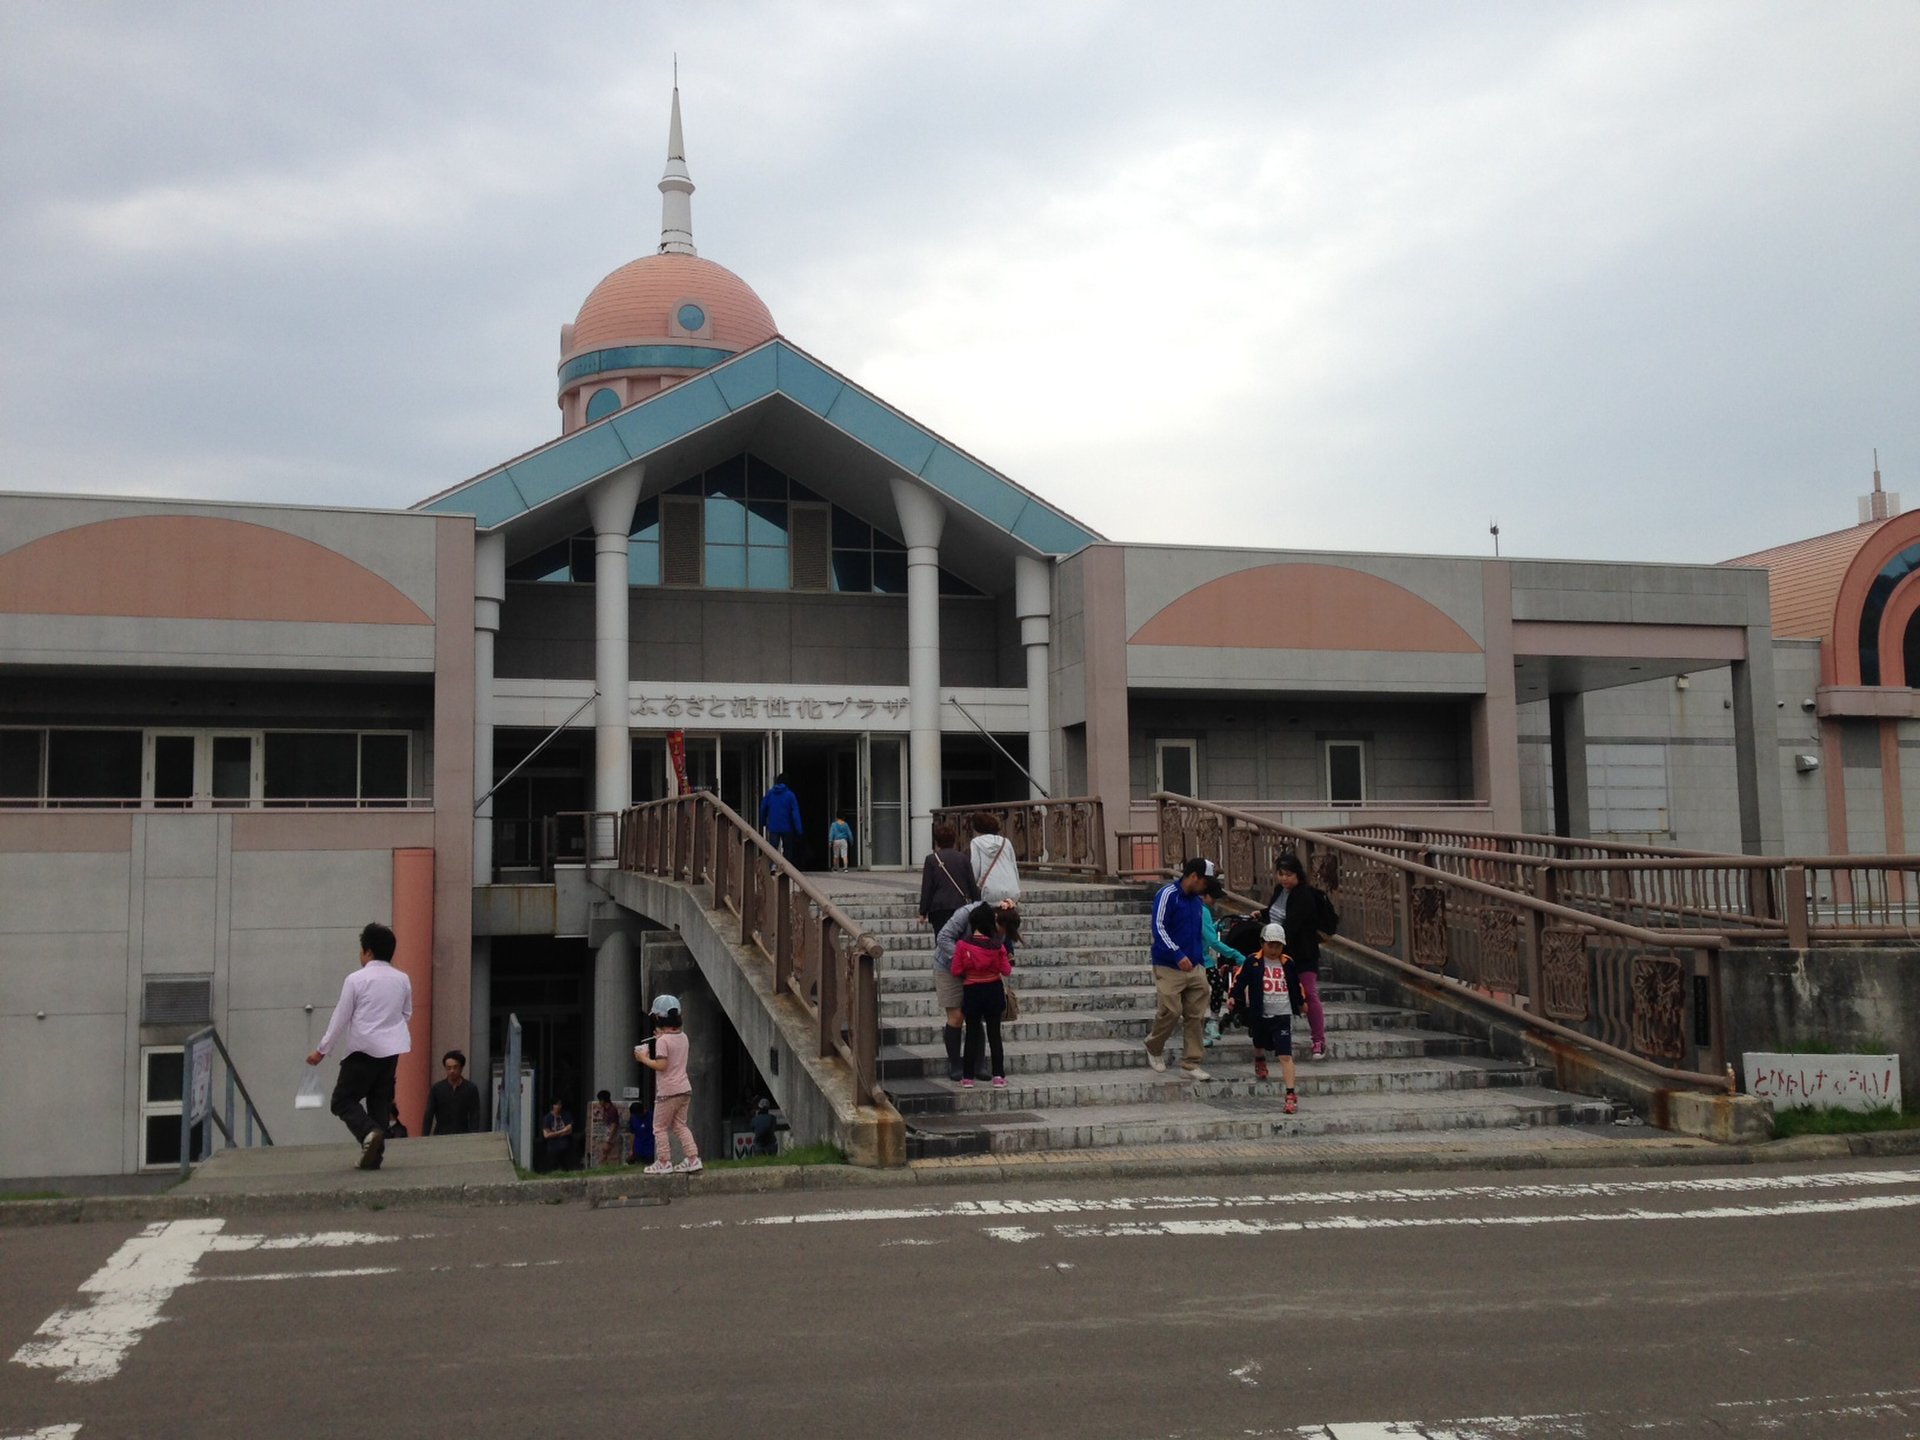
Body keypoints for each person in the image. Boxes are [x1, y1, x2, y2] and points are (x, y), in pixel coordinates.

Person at [304, 921, 412, 1171]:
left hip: (363, 1049)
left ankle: (369, 1133)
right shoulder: (402, 979)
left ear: (368, 952)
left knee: (342, 1100)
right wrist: (390, 1030)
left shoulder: (356, 979)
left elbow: (341, 1017)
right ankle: (374, 1155)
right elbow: (406, 1013)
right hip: (392, 1051)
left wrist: (322, 1050)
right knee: (379, 1101)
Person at [1145, 858, 1216, 1080]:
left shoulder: (1197, 902)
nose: (1207, 887)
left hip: (1195, 965)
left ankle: (1191, 1062)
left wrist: (1200, 962)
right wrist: (1176, 953)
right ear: (1194, 876)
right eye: (1206, 881)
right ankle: (1154, 1046)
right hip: (1168, 964)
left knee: (1196, 1014)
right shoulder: (1167, 895)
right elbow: (1158, 926)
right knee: (1171, 1010)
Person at [1268, 853, 1341, 1061]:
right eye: (1281, 874)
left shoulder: (1304, 895)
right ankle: (1277, 1036)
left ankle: (1318, 1040)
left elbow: (1291, 925)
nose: (1284, 879)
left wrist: (1273, 941)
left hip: (1302, 953)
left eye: (1289, 875)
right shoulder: (1279, 891)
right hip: (1279, 953)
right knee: (1276, 995)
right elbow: (1276, 914)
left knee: (1308, 993)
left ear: (1298, 875)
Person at [920, 822, 979, 1076]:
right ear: (955, 840)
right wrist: (978, 905)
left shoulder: (932, 859)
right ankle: (963, 964)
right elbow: (971, 884)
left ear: (936, 840)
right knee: (964, 940)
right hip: (961, 905)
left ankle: (952, 965)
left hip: (940, 908)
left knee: (943, 942)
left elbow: (928, 887)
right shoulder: (963, 858)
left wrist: (923, 911)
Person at [936, 897, 1017, 1081]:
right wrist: (965, 956)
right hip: (948, 964)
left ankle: (978, 1064)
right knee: (956, 1016)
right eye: (1001, 930)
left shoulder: (1001, 926)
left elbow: (999, 955)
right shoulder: (965, 915)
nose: (1001, 934)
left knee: (977, 1016)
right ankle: (956, 1064)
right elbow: (942, 937)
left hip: (980, 972)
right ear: (995, 919)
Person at [1230, 923, 1300, 1113]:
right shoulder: (1253, 961)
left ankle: (1290, 1094)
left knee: (1285, 1054)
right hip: (1260, 1012)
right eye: (1270, 945)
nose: (1274, 950)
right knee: (1259, 1040)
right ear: (1262, 943)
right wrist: (1233, 997)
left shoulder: (1288, 963)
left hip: (1282, 1014)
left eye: (1278, 946)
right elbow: (1240, 980)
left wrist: (1301, 1003)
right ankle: (1259, 1058)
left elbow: (1295, 985)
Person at [635, 994, 702, 1175]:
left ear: (657, 1017)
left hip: (668, 1091)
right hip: (684, 1088)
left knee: (659, 1127)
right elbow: (673, 1044)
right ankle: (693, 1158)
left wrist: (644, 1059)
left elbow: (662, 1065)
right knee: (680, 1125)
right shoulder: (683, 1037)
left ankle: (664, 1161)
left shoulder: (663, 1041)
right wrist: (661, 1039)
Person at [1199, 882, 1248, 1047]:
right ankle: (1212, 1022)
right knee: (1216, 987)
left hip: (1200, 958)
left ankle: (1208, 1025)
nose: (1215, 901)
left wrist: (1214, 927)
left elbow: (1205, 933)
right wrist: (1235, 954)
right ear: (1204, 896)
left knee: (1214, 987)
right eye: (1213, 897)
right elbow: (1212, 941)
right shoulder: (1203, 910)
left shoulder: (1199, 909)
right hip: (1200, 960)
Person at [422, 1049, 483, 1136]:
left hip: (463, 1135)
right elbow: (429, 1114)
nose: (452, 1071)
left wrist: (473, 1135)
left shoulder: (471, 1088)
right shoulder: (437, 1089)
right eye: (448, 1068)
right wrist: (424, 1136)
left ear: (461, 1068)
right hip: (441, 1135)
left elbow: (475, 1115)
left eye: (455, 1067)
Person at [968, 813, 1021, 905]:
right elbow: (1013, 866)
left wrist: (972, 888)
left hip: (989, 889)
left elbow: (975, 867)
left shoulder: (976, 842)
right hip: (1011, 888)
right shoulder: (1006, 842)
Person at [758, 774, 803, 863]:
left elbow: (763, 808)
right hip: (787, 828)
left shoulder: (770, 794)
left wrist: (762, 822)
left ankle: (771, 868)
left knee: (773, 849)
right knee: (787, 850)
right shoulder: (790, 795)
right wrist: (799, 830)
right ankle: (786, 871)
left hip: (773, 827)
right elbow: (795, 814)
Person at [590, 1089, 622, 1168]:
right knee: (604, 1152)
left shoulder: (612, 1110)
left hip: (612, 1134)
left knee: (607, 1151)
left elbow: (614, 1125)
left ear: (603, 1100)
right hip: (608, 1132)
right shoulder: (605, 1109)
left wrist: (609, 1140)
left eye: (600, 1100)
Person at [540, 1099, 574, 1171]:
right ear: (553, 1106)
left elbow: (569, 1130)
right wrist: (563, 1131)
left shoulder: (566, 1115)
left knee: (565, 1164)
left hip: (564, 1143)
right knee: (553, 1165)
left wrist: (554, 1134)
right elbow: (546, 1135)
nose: (559, 1106)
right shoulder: (547, 1118)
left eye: (560, 1104)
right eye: (557, 1105)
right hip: (553, 1145)